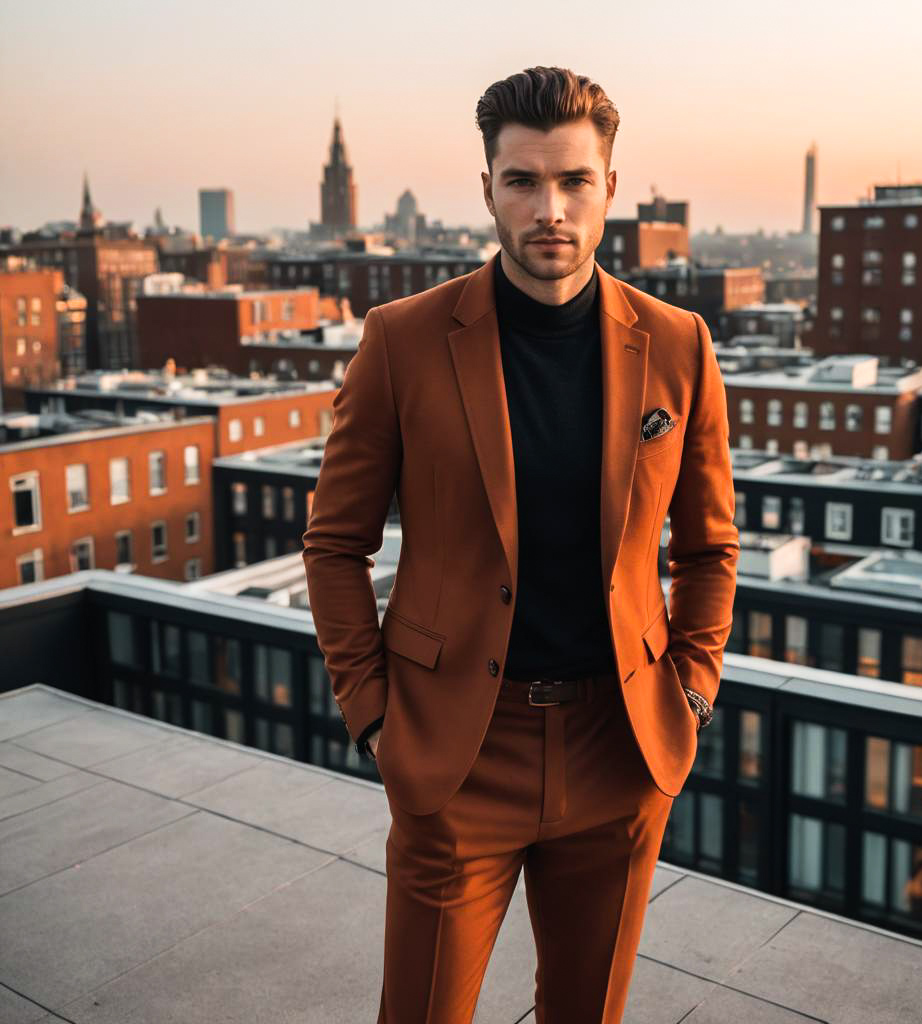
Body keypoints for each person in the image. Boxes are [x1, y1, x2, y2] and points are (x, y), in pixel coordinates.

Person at [302, 64, 739, 1024]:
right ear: (489, 187)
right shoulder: (403, 338)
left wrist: (694, 688)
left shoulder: (678, 343)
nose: (551, 208)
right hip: (456, 746)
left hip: (620, 746)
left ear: (610, 190)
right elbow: (335, 544)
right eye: (524, 181)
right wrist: (373, 714)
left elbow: (710, 547)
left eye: (575, 180)